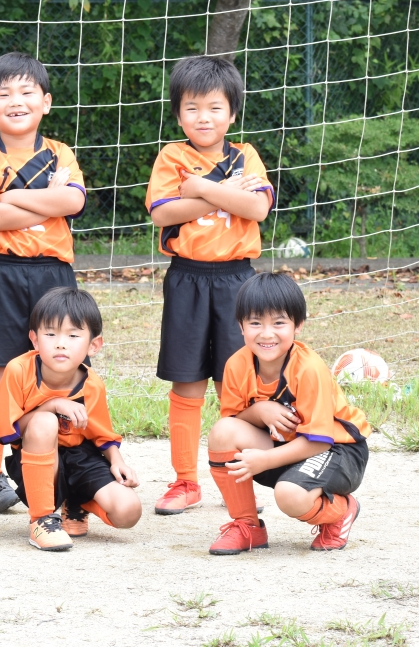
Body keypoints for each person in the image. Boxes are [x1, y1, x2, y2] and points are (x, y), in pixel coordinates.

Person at [145, 55, 273, 515]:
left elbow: (257, 209)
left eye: (215, 107)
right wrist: (229, 194)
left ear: (232, 113)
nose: (204, 117)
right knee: (187, 383)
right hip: (188, 279)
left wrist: (198, 188)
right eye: (193, 108)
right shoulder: (171, 157)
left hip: (238, 281)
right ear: (179, 114)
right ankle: (185, 481)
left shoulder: (246, 155)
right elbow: (163, 213)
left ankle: (234, 478)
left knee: (235, 385)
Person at [0, 52, 87, 514]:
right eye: (4, 94)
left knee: (59, 370)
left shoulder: (61, 153)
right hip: (2, 273)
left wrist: (13, 196)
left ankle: (61, 461)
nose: (15, 101)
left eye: (26, 92)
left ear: (46, 102)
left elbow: (73, 203)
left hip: (54, 274)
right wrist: (45, 199)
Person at [206, 272, 369, 555]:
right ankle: (247, 526)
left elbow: (319, 441)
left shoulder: (308, 369)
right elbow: (234, 423)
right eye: (255, 322)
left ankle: (341, 511)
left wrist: (264, 460)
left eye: (279, 323)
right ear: (240, 326)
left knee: (289, 495)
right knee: (222, 432)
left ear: (298, 325)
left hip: (338, 450)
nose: (266, 333)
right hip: (287, 446)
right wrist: (259, 410)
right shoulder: (236, 365)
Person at [0, 288, 142, 552]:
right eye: (50, 334)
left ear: (93, 345)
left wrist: (118, 462)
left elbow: (101, 435)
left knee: (128, 511)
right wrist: (52, 405)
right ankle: (42, 520)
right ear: (35, 340)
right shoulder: (19, 370)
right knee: (44, 422)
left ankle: (78, 503)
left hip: (81, 457)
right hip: (36, 458)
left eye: (73, 335)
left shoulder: (92, 384)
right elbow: (9, 431)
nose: (60, 343)